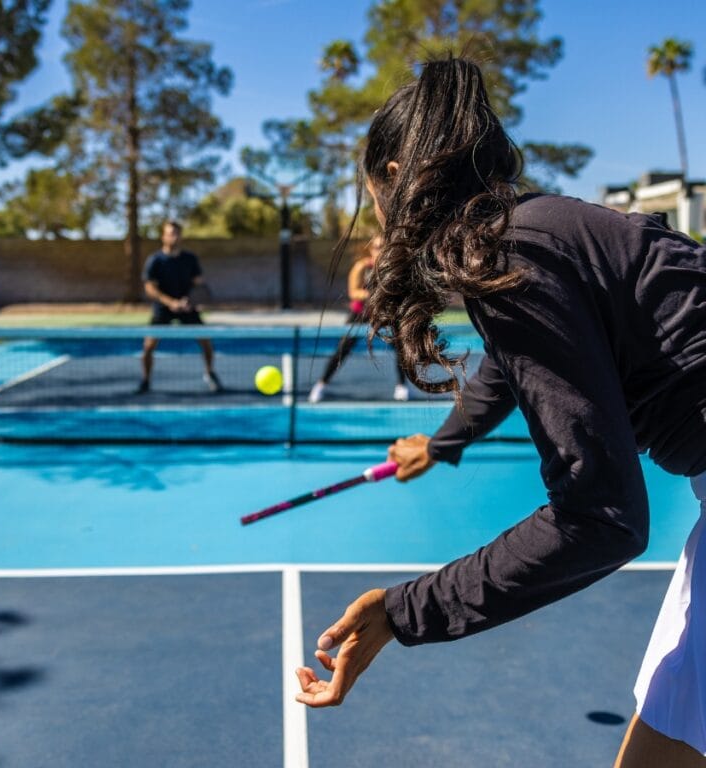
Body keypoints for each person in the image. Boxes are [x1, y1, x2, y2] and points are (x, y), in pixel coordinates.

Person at [294, 56, 706, 768]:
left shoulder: (515, 253)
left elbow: (601, 517)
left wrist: (402, 612)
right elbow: (509, 368)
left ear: (395, 178)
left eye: (372, 195)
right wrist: (446, 442)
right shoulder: (534, 232)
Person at [308, 235, 409, 403]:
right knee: (342, 349)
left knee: (401, 349)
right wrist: (374, 294)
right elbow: (353, 292)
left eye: (384, 246)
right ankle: (321, 385)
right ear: (371, 250)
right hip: (360, 314)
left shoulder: (392, 269)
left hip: (384, 314)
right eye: (377, 246)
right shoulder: (362, 267)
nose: (380, 249)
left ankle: (402, 386)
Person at [137, 220, 222, 394]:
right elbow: (150, 289)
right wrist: (170, 303)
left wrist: (188, 301)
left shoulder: (189, 259)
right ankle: (145, 380)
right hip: (163, 309)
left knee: (206, 341)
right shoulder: (155, 260)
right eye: (170, 233)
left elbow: (199, 284)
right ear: (163, 237)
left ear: (180, 236)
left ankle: (210, 373)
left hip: (187, 308)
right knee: (148, 346)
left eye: (176, 233)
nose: (174, 237)